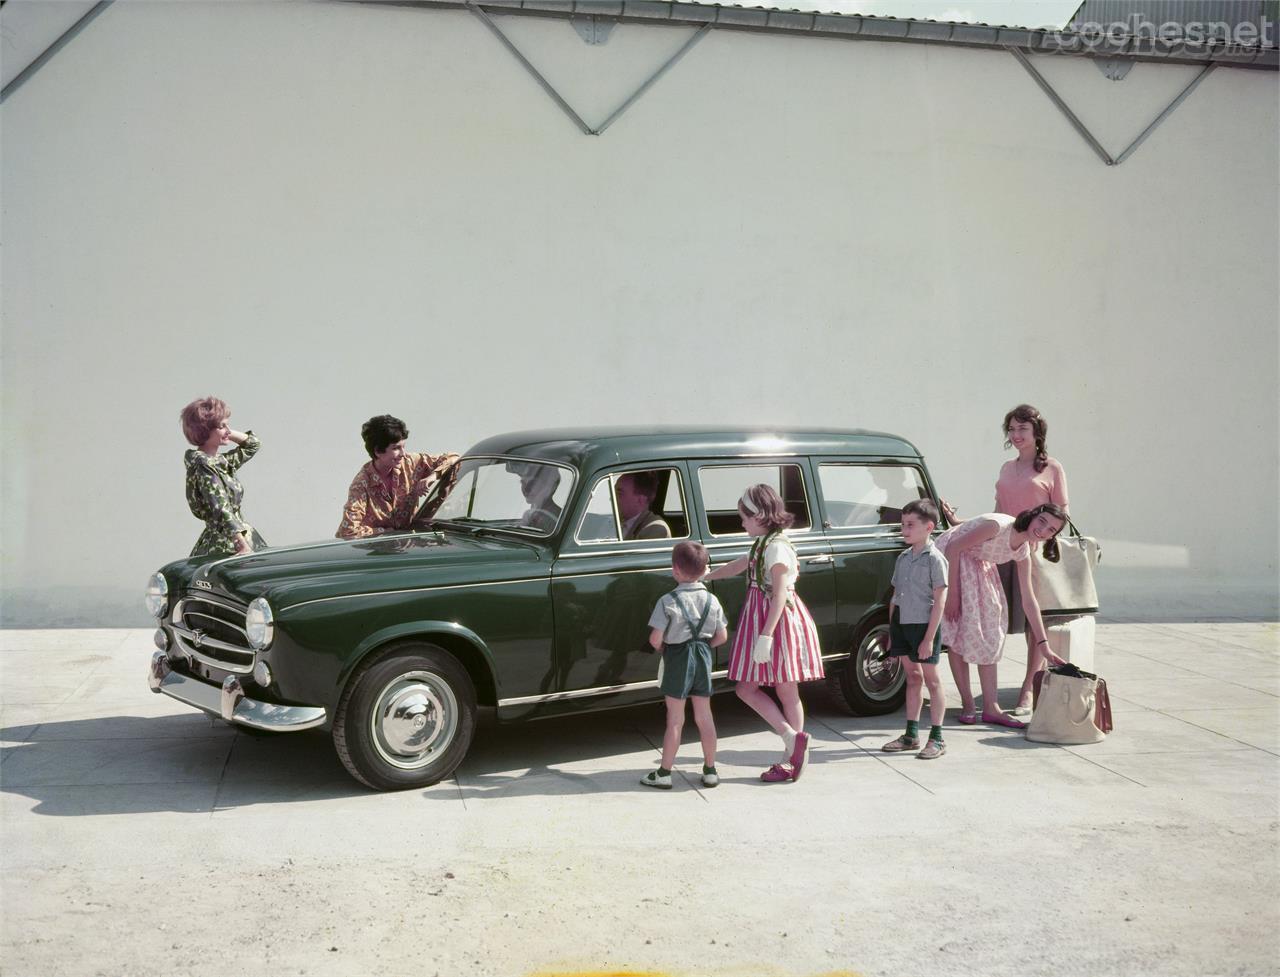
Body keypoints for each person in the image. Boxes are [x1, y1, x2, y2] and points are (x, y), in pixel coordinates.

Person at [942, 404, 1070, 714]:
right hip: (999, 546)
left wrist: (1041, 535)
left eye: (1022, 429)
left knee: (1029, 621)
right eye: (1011, 429)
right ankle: (978, 699)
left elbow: (1061, 514)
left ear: (1037, 433)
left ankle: (1028, 690)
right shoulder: (1006, 468)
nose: (1016, 435)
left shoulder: (1052, 468)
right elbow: (997, 513)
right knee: (989, 620)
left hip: (1030, 550)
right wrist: (960, 523)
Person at [705, 483, 823, 783]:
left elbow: (781, 592)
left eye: (744, 517)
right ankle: (793, 744)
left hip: (776, 620)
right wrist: (706, 576)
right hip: (763, 617)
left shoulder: (777, 546)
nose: (741, 522)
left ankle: (792, 753)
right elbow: (740, 565)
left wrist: (767, 635)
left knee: (771, 688)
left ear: (759, 516)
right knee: (766, 689)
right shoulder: (762, 542)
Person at [936, 503, 1069, 729]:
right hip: (950, 559)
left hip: (978, 563)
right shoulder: (999, 526)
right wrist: (952, 595)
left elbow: (1029, 599)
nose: (1043, 530)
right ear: (1033, 515)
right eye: (1042, 521)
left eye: (1051, 530)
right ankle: (968, 704)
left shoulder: (1024, 550)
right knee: (958, 628)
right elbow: (953, 548)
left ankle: (991, 708)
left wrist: (1044, 646)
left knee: (992, 628)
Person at [641, 541, 728, 790]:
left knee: (675, 720)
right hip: (702, 655)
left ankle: (664, 772)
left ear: (675, 570)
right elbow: (722, 637)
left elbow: (655, 639)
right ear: (704, 571)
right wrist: (702, 647)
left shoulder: (667, 601)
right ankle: (710, 769)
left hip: (677, 658)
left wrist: (666, 648)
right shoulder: (712, 600)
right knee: (705, 716)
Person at [880, 500, 949, 759]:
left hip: (923, 626)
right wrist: (891, 631)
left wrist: (929, 638)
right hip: (902, 623)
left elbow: (940, 598)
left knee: (932, 680)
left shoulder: (935, 559)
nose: (904, 529)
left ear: (929, 526)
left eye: (910, 525)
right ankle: (911, 735)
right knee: (912, 678)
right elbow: (895, 596)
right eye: (902, 524)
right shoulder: (903, 558)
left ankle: (938, 737)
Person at [336, 415, 458, 539]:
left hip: (411, 546)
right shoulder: (361, 484)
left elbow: (454, 459)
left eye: (403, 447)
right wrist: (388, 531)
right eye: (396, 448)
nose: (403, 454)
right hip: (376, 552)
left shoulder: (410, 463)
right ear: (377, 451)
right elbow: (348, 532)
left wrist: (432, 477)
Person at [180, 396, 267, 558]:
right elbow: (220, 508)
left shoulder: (221, 462)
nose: (228, 430)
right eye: (222, 426)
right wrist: (242, 545)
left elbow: (253, 444)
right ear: (205, 430)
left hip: (239, 536)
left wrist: (224, 430)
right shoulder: (203, 464)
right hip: (226, 544)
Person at [616, 471, 671, 540]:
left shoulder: (656, 529)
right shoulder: (614, 522)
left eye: (619, 493)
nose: (612, 498)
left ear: (641, 499)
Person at [516, 466, 563, 532]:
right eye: (523, 483)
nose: (525, 489)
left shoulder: (557, 518)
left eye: (532, 484)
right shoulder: (530, 514)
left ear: (551, 486)